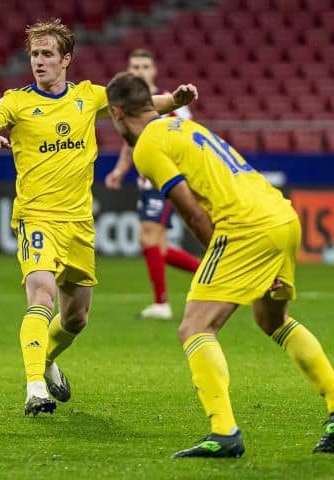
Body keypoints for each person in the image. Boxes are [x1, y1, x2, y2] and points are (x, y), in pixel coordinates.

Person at [0, 19, 197, 416]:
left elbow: (141, 107)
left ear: (66, 58)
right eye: (34, 54)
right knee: (41, 295)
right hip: (35, 216)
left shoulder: (89, 96)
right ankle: (35, 386)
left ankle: (48, 360)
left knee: (76, 318)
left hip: (79, 224)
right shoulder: (14, 102)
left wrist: (175, 99)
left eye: (47, 54)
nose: (39, 61)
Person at [105, 71, 334, 457]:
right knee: (271, 320)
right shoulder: (183, 125)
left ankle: (223, 432)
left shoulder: (147, 147)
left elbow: (191, 211)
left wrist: (222, 254)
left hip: (245, 228)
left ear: (115, 113)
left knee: (195, 326)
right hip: (280, 216)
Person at [105, 49, 200, 320]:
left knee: (148, 236)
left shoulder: (172, 102)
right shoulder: (131, 103)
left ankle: (161, 303)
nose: (140, 70)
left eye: (145, 65)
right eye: (135, 65)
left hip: (167, 176)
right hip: (146, 178)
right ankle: (211, 273)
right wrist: (120, 170)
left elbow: (187, 137)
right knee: (154, 244)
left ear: (154, 70)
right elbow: (129, 142)